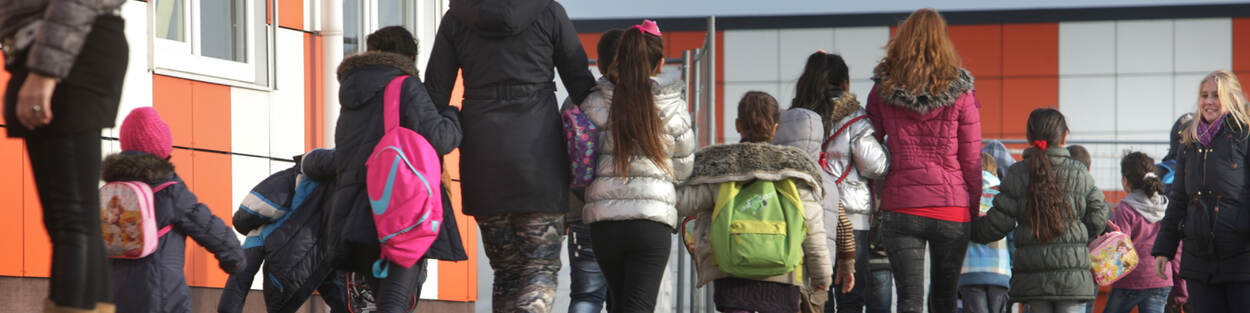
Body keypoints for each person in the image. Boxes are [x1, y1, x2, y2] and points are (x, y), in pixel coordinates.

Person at [423, 1, 596, 310]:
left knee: (506, 273)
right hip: (539, 158)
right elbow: (580, 82)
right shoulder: (548, 12)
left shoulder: (456, 18)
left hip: (482, 158)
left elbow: (435, 94)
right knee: (540, 267)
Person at [1, 0, 129, 311]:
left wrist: (45, 70)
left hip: (66, 51)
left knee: (70, 220)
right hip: (63, 47)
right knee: (78, 218)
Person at [329, 26, 463, 313]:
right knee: (393, 305)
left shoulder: (350, 95)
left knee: (388, 304)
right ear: (410, 57)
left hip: (355, 217)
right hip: (399, 212)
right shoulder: (405, 86)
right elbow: (440, 138)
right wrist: (452, 114)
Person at [863, 8, 982, 313]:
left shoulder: (882, 89)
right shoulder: (961, 92)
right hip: (951, 206)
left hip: (900, 206)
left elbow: (869, 148)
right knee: (944, 300)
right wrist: (972, 207)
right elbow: (971, 158)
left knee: (909, 300)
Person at [676, 91, 832, 313]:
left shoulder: (719, 169)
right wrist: (821, 277)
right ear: (776, 127)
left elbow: (682, 203)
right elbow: (814, 231)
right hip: (783, 280)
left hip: (732, 277)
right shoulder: (796, 170)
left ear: (738, 125)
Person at [578, 21, 695, 312]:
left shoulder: (592, 104)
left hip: (604, 224)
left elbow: (579, 163)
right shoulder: (672, 107)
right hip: (650, 223)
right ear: (660, 63)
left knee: (619, 303)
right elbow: (683, 168)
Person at [104, 108, 246, 313]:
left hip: (115, 294)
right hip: (161, 295)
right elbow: (207, 226)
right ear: (161, 148)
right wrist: (235, 259)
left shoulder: (112, 192)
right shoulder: (169, 190)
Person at [773, 50, 882, 312]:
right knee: (850, 295)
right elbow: (875, 165)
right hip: (852, 217)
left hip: (806, 214)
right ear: (844, 82)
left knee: (814, 294)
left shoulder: (793, 119)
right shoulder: (856, 118)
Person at [971, 108, 1109, 313]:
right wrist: (1076, 236)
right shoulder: (1078, 172)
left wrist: (966, 227)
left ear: (1029, 136)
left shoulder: (1018, 173)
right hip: (1072, 281)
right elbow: (1099, 216)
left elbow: (997, 224)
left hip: (1033, 282)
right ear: (1064, 136)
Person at [1152, 70, 1250, 313]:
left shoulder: (1244, 136)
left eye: (1216, 95)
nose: (1208, 101)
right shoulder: (1189, 142)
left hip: (1241, 258)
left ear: (1231, 98)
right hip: (1199, 259)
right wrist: (1164, 249)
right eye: (1204, 95)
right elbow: (1178, 200)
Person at [219, 149, 350, 313]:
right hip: (324, 252)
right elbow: (314, 161)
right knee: (346, 303)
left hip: (298, 270)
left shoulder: (260, 230)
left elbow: (239, 279)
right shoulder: (308, 177)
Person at [564, 27, 624, 313]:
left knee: (586, 297)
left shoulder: (577, 101)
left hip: (584, 214)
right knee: (628, 300)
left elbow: (561, 159)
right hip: (632, 215)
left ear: (598, 63)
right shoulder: (647, 101)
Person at [1103, 152, 1178, 313]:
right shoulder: (1167, 207)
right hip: (1161, 278)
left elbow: (1120, 250)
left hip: (1130, 280)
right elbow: (1176, 249)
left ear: (1125, 180)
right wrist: (1182, 289)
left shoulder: (1125, 209)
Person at [958, 152, 1012, 313]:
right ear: (995, 171)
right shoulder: (1004, 195)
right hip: (1000, 269)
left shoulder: (963, 195)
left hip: (970, 269)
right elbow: (1012, 233)